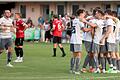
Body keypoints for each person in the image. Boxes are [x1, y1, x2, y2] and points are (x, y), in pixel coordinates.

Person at [70, 9, 87, 74]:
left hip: (73, 39)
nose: (84, 14)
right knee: (79, 54)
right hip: (77, 40)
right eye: (84, 13)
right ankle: (77, 70)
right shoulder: (80, 22)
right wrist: (91, 28)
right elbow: (84, 29)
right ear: (81, 14)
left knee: (74, 55)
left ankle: (72, 69)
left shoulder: (74, 20)